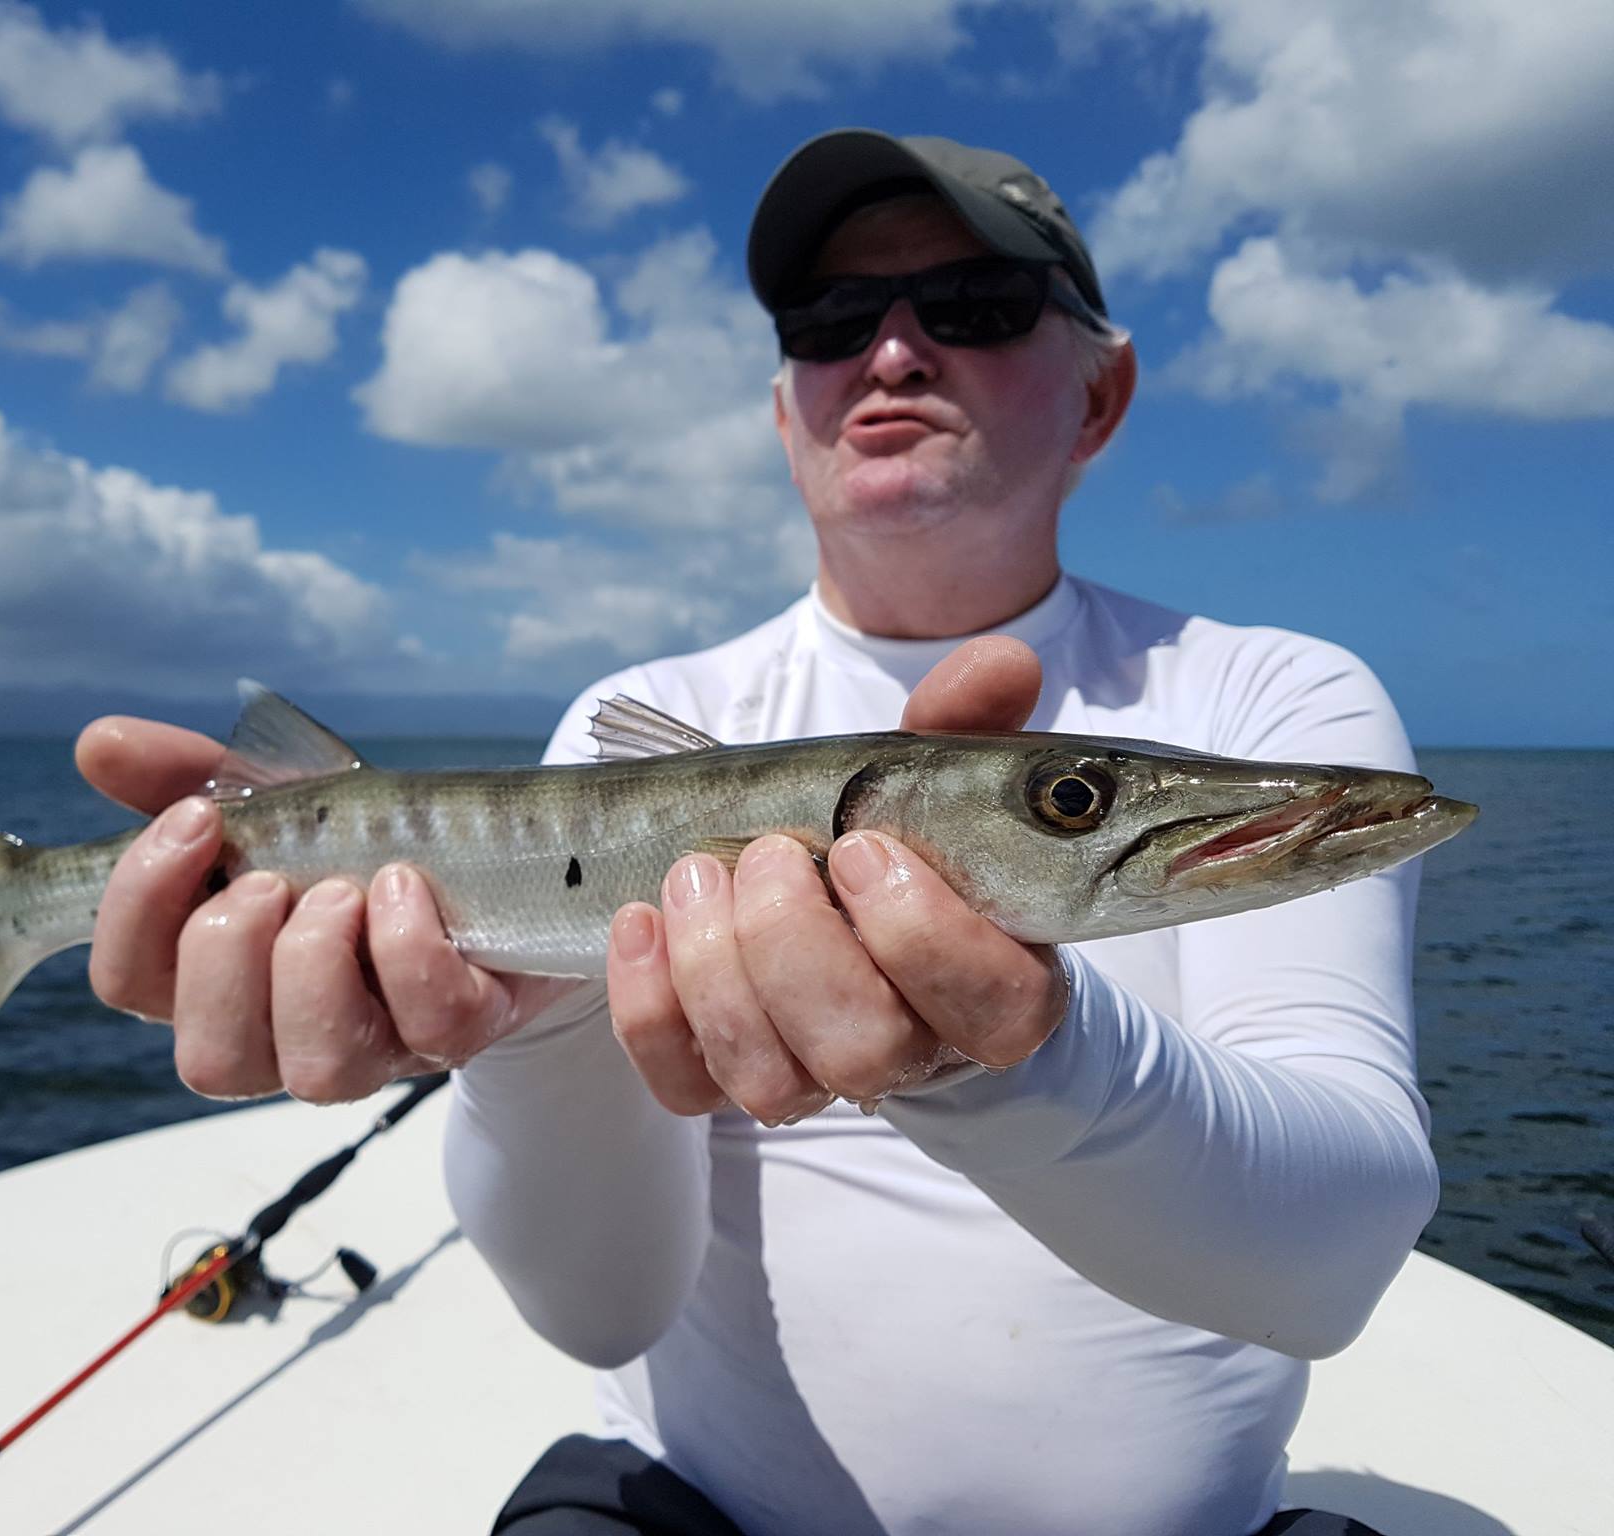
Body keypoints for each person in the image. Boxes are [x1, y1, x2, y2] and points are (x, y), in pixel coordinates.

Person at [74, 131, 1437, 1536]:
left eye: (974, 305)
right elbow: (599, 1315)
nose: (894, 354)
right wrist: (535, 1029)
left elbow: (1331, 1266)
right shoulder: (639, 714)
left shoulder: (1276, 699)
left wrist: (1015, 1057)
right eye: (832, 323)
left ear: (1105, 393)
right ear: (785, 416)